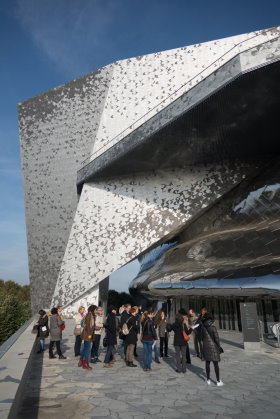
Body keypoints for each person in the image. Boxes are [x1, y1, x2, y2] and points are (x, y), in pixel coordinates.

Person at [201, 312, 224, 386]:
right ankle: (218, 381)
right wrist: (219, 347)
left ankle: (208, 379)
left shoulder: (203, 327)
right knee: (216, 364)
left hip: (206, 346)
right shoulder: (213, 327)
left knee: (207, 363)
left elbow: (201, 338)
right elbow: (216, 338)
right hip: (214, 347)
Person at [79, 305, 96, 370]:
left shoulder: (90, 314)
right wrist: (90, 334)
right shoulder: (89, 315)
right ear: (92, 309)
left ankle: (81, 360)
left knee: (85, 348)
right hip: (88, 335)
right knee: (87, 349)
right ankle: (85, 363)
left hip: (87, 334)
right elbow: (89, 326)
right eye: (95, 309)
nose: (95, 310)